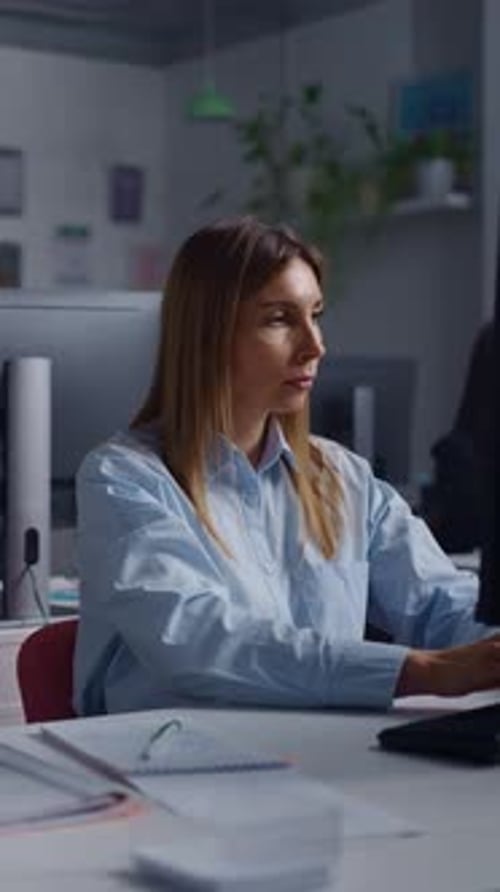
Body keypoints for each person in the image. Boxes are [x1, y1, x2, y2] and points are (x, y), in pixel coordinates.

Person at [74, 216, 500, 716]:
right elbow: (197, 639)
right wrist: (420, 673)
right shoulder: (124, 477)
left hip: (310, 751)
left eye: (315, 314)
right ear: (209, 335)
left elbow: (439, 603)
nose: (315, 346)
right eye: (280, 319)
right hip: (170, 764)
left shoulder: (343, 478)